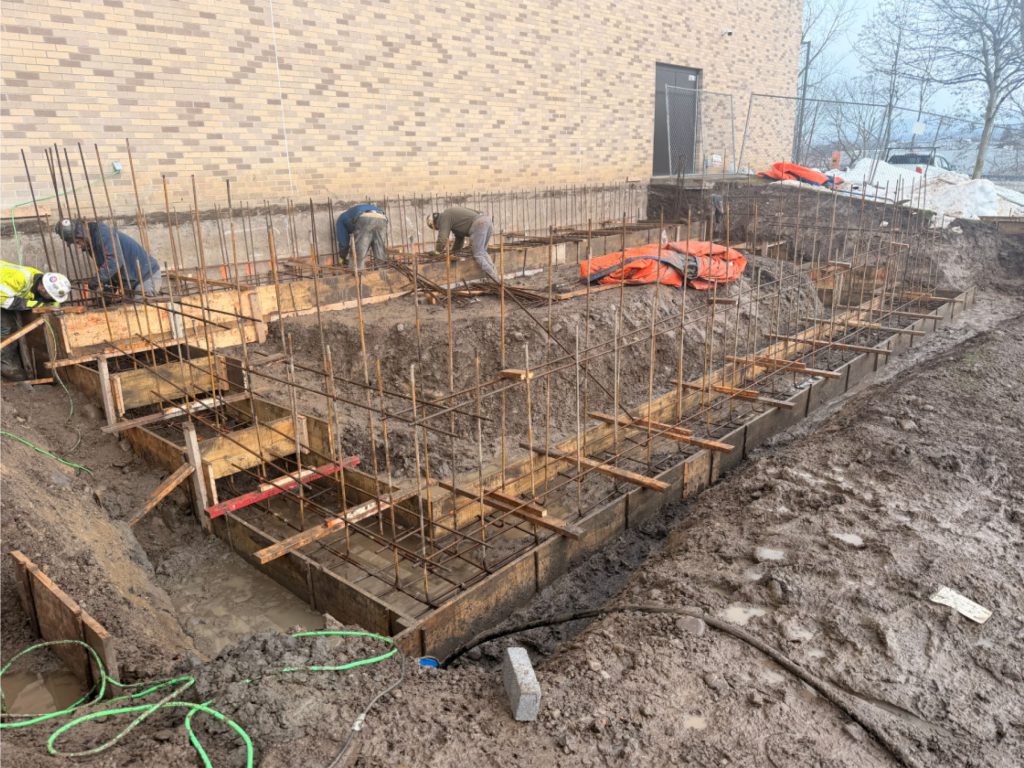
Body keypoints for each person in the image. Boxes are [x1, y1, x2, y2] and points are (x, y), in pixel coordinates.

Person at [0, 261, 71, 380]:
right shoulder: (19, 280)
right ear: (42, 289)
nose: (51, 299)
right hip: (2, 297)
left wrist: (54, 307)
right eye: (50, 296)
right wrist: (37, 304)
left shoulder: (43, 280)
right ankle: (7, 367)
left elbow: (52, 302)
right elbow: (6, 302)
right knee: (6, 328)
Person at [55, 218, 161, 297]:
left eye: (77, 242)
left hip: (146, 277)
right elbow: (107, 267)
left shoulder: (102, 234)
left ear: (80, 234)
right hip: (130, 282)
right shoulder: (91, 243)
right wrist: (108, 288)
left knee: (139, 313)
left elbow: (114, 261)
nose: (78, 246)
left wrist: (97, 280)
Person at [427, 206, 498, 281]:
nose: (438, 228)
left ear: (434, 223)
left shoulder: (444, 217)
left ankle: (494, 279)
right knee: (483, 253)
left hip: (479, 224)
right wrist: (454, 252)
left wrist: (437, 251)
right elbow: (459, 238)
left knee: (478, 255)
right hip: (487, 221)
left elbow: (443, 237)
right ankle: (495, 276)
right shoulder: (452, 216)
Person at [335, 203, 388, 270]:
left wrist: (343, 257)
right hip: (382, 217)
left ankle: (358, 275)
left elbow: (343, 243)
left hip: (365, 218)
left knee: (358, 255)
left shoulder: (340, 220)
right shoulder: (351, 213)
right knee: (379, 250)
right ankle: (382, 273)